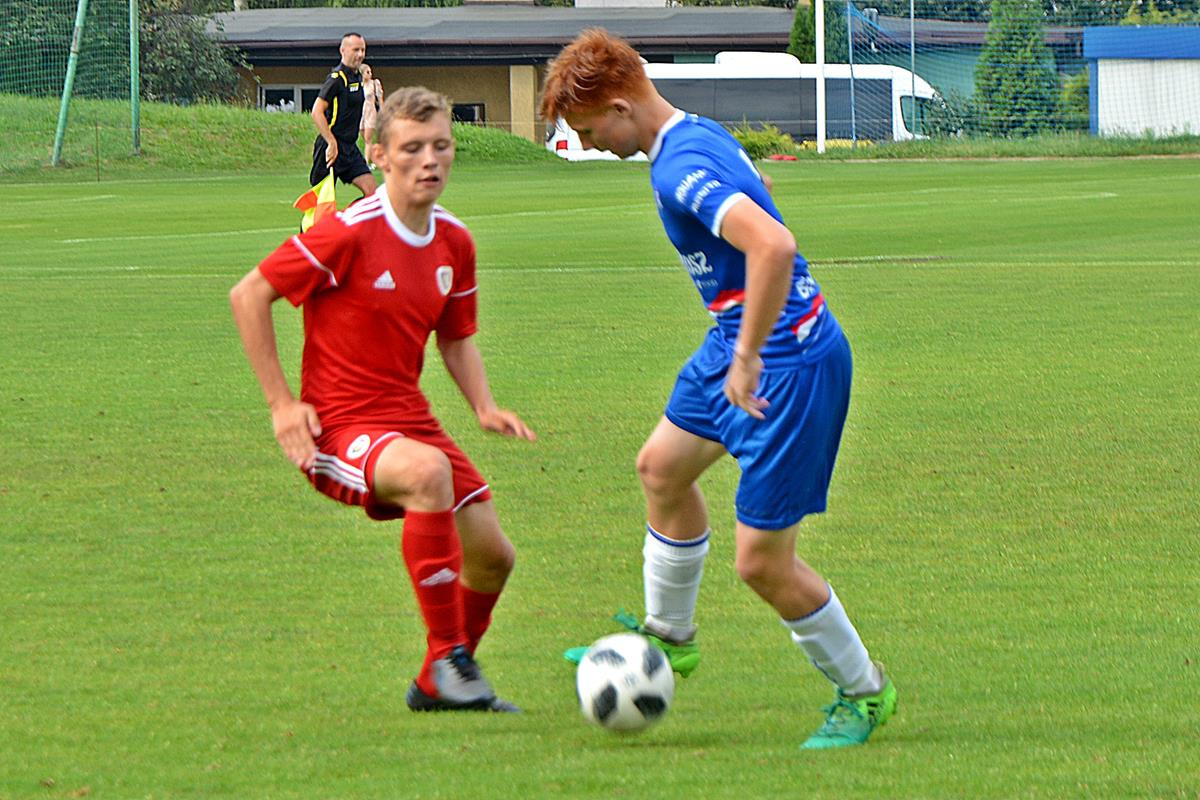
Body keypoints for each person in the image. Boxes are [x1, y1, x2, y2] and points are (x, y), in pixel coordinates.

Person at [542, 29, 898, 749]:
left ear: (619, 106)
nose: (585, 144)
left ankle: (865, 693)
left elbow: (774, 243)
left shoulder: (681, 167)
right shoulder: (695, 134)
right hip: (738, 338)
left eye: (587, 130)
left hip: (786, 361)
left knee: (762, 563)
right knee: (661, 469)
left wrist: (748, 354)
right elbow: (763, 199)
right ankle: (670, 637)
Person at [231, 86, 535, 712]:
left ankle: (437, 680)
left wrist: (483, 406)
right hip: (338, 428)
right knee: (427, 473)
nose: (430, 160)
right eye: (413, 148)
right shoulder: (347, 233)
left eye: (441, 146)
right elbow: (249, 294)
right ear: (380, 155)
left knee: (492, 557)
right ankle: (449, 658)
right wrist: (282, 405)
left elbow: (455, 336)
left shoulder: (455, 241)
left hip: (408, 419)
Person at [309, 33, 377, 199]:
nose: (360, 54)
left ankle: (350, 217)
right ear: (343, 50)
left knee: (372, 194)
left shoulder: (357, 77)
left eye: (363, 50)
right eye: (356, 50)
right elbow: (317, 111)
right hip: (331, 147)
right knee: (322, 203)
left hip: (349, 148)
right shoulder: (336, 79)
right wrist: (331, 142)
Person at [359, 63, 384, 158]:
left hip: (370, 111)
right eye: (367, 72)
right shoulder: (360, 85)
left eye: (370, 72)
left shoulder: (374, 84)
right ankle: (374, 156)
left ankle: (366, 161)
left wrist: (382, 111)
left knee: (368, 138)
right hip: (361, 112)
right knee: (364, 135)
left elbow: (380, 99)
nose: (370, 74)